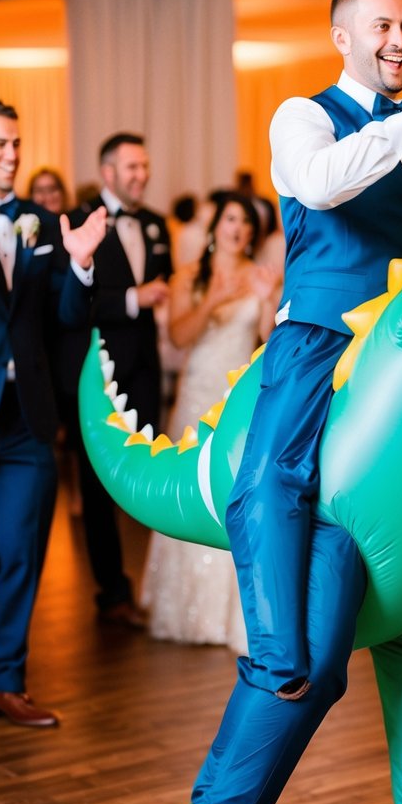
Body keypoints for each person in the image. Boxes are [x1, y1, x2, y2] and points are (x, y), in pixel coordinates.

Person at [170, 0, 402, 804]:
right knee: (298, 618)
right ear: (343, 36)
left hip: (400, 366)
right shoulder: (304, 116)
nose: (397, 39)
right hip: (316, 347)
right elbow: (319, 185)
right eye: (381, 26)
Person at [0, 99, 105, 727]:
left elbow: (67, 318)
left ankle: (4, 683)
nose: (11, 155)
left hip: (27, 418)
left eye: (16, 144)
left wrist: (80, 263)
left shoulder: (44, 223)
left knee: (21, 552)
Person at [141, 192, 277, 648]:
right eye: (231, 220)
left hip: (237, 398)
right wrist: (212, 298)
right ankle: (187, 607)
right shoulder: (188, 278)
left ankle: (232, 615)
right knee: (188, 487)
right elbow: (179, 337)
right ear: (215, 227)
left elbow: (267, 344)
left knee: (232, 492)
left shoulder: (261, 276)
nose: (238, 229)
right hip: (197, 395)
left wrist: (263, 302)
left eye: (246, 223)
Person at [60, 132, 172, 627]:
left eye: (145, 166)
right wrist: (134, 299)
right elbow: (71, 305)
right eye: (131, 167)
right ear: (107, 172)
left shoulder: (154, 222)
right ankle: (112, 592)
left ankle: (154, 583)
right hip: (98, 372)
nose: (141, 175)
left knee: (144, 473)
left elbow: (162, 284)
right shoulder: (82, 222)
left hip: (145, 368)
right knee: (99, 483)